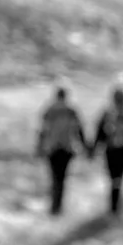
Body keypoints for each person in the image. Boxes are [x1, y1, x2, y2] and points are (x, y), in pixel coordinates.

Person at [36, 85, 88, 216]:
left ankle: (54, 207)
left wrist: (39, 147)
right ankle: (58, 207)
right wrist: (84, 146)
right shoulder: (71, 111)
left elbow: (43, 131)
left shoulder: (49, 110)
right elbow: (78, 130)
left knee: (54, 178)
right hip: (66, 149)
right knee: (62, 178)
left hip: (52, 149)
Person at [92, 88, 123, 216]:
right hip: (122, 151)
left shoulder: (108, 113)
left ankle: (114, 206)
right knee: (117, 178)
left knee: (114, 178)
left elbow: (99, 133)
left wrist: (95, 148)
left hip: (112, 150)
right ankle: (115, 206)